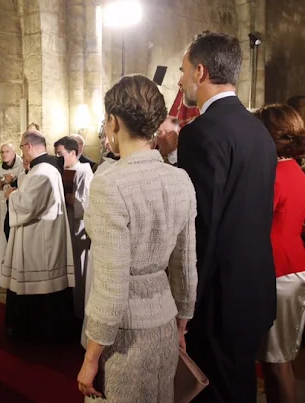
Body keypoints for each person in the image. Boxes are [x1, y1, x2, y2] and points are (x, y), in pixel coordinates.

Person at [77, 74, 197, 402]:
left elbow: (111, 285)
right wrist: (181, 329)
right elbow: (186, 268)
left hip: (124, 337)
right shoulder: (180, 179)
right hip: (165, 325)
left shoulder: (109, 183)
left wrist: (90, 357)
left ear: (113, 122)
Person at [177, 31, 277, 402]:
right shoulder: (259, 131)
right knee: (241, 389)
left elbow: (202, 227)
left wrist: (186, 306)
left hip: (218, 299)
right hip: (253, 290)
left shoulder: (201, 133)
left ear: (200, 72)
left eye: (184, 70)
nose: (180, 79)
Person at [0, 130, 75, 343]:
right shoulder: (40, 170)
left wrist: (11, 194)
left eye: (22, 147)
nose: (22, 153)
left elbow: (29, 205)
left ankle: (36, 334)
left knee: (39, 289)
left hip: (40, 241)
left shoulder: (44, 172)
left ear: (29, 146)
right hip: (35, 236)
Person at [254, 104, 305, 403]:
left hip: (280, 274)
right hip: (290, 268)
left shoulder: (274, 174)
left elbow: (255, 222)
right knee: (275, 362)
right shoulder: (295, 170)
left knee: (278, 362)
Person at [54, 136, 94, 319]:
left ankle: (78, 314)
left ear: (72, 152)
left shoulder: (85, 172)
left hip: (78, 229)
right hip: (63, 226)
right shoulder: (60, 171)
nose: (58, 159)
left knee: (78, 271)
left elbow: (88, 206)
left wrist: (71, 200)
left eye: (61, 154)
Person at [0, 143, 24, 282]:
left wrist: (12, 180)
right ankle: (0, 274)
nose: (4, 155)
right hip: (2, 209)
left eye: (7, 151)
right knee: (0, 241)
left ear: (14, 152)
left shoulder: (21, 167)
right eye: (2, 152)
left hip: (15, 210)